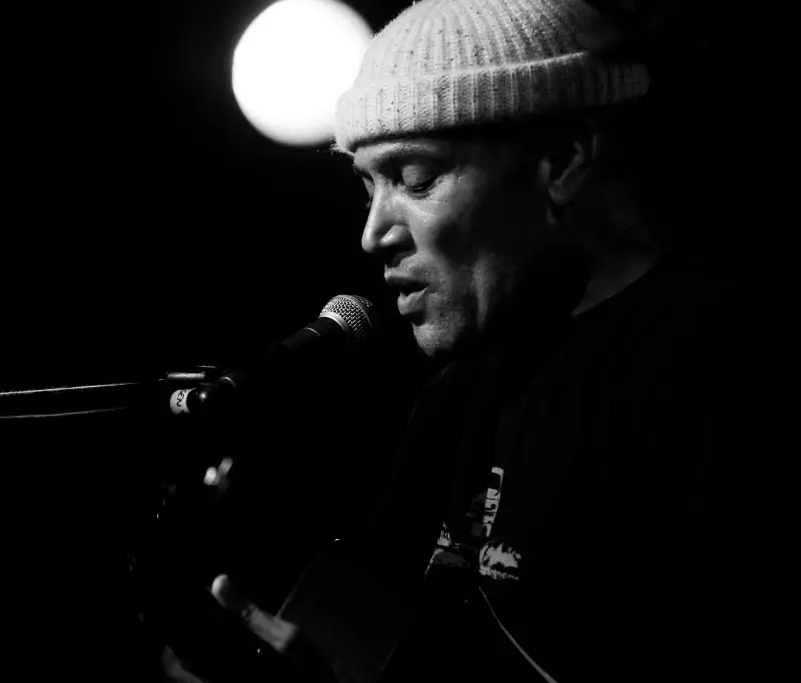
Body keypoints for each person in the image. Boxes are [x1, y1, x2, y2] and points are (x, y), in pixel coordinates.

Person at [167, 0, 771, 680]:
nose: (373, 234)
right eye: (368, 187)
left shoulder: (713, 370)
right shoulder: (457, 396)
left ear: (562, 160)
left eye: (416, 179)